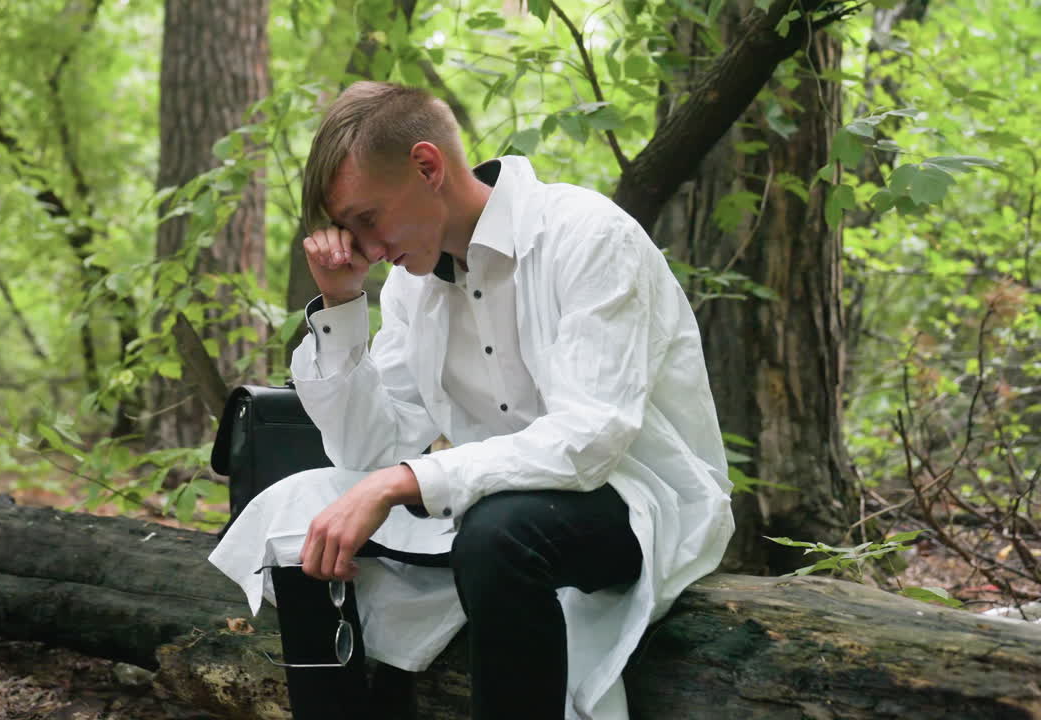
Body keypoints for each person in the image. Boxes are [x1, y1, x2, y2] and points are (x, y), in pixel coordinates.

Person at [208, 81, 734, 720]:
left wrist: (400, 484)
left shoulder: (587, 235)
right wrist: (344, 308)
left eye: (367, 219)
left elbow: (591, 439)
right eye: (350, 230)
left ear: (427, 166)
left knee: (499, 533)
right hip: (493, 505)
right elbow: (369, 449)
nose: (368, 251)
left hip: (636, 500)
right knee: (303, 512)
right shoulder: (411, 285)